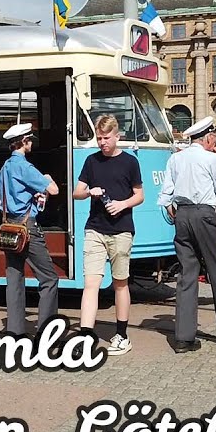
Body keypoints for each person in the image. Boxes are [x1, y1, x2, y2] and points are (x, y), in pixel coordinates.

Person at [157, 117, 216, 353]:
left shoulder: (175, 158)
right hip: (204, 215)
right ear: (207, 137)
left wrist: (175, 211)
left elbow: (165, 195)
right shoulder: (210, 159)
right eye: (214, 138)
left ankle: (183, 339)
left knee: (187, 275)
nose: (215, 142)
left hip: (183, 216)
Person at [72, 114, 144, 355]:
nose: (102, 142)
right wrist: (88, 192)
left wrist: (122, 205)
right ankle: (85, 334)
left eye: (106, 138)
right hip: (94, 229)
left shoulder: (130, 162)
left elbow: (139, 195)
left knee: (120, 284)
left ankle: (122, 335)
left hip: (121, 229)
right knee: (90, 283)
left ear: (117, 136)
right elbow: (76, 192)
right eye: (99, 138)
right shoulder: (92, 161)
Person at [0, 122, 60, 338]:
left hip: (8, 228)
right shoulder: (25, 167)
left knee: (14, 278)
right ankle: (47, 331)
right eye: (30, 140)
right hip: (27, 228)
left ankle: (14, 331)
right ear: (23, 142)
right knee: (49, 278)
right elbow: (53, 189)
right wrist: (48, 179)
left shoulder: (3, 168)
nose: (32, 142)